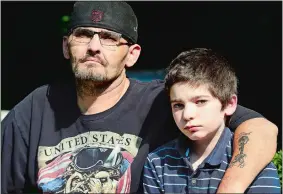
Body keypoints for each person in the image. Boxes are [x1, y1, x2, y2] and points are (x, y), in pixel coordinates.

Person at [1, 1, 278, 194]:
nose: (94, 47)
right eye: (83, 35)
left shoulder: (165, 101)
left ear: (132, 54)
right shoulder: (36, 107)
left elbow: (261, 129)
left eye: (109, 38)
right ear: (66, 46)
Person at [143, 48, 281, 193]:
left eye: (201, 101)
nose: (187, 114)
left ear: (229, 104)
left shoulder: (253, 163)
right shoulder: (157, 162)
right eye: (178, 105)